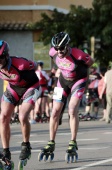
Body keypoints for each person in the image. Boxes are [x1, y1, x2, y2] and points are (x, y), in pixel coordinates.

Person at [38, 32, 94, 162]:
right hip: (62, 81)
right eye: (56, 48)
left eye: (61, 48)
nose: (59, 51)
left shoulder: (79, 54)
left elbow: (91, 62)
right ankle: (51, 141)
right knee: (55, 110)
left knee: (72, 108)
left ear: (68, 46)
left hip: (78, 81)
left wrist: (83, 74)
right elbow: (56, 60)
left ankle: (73, 141)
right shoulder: (53, 52)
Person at [0, 40, 41, 169]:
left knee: (22, 116)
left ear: (6, 56)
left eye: (0, 58)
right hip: (13, 88)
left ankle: (26, 145)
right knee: (3, 117)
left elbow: (34, 65)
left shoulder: (21, 64)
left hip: (31, 86)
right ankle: (6, 151)